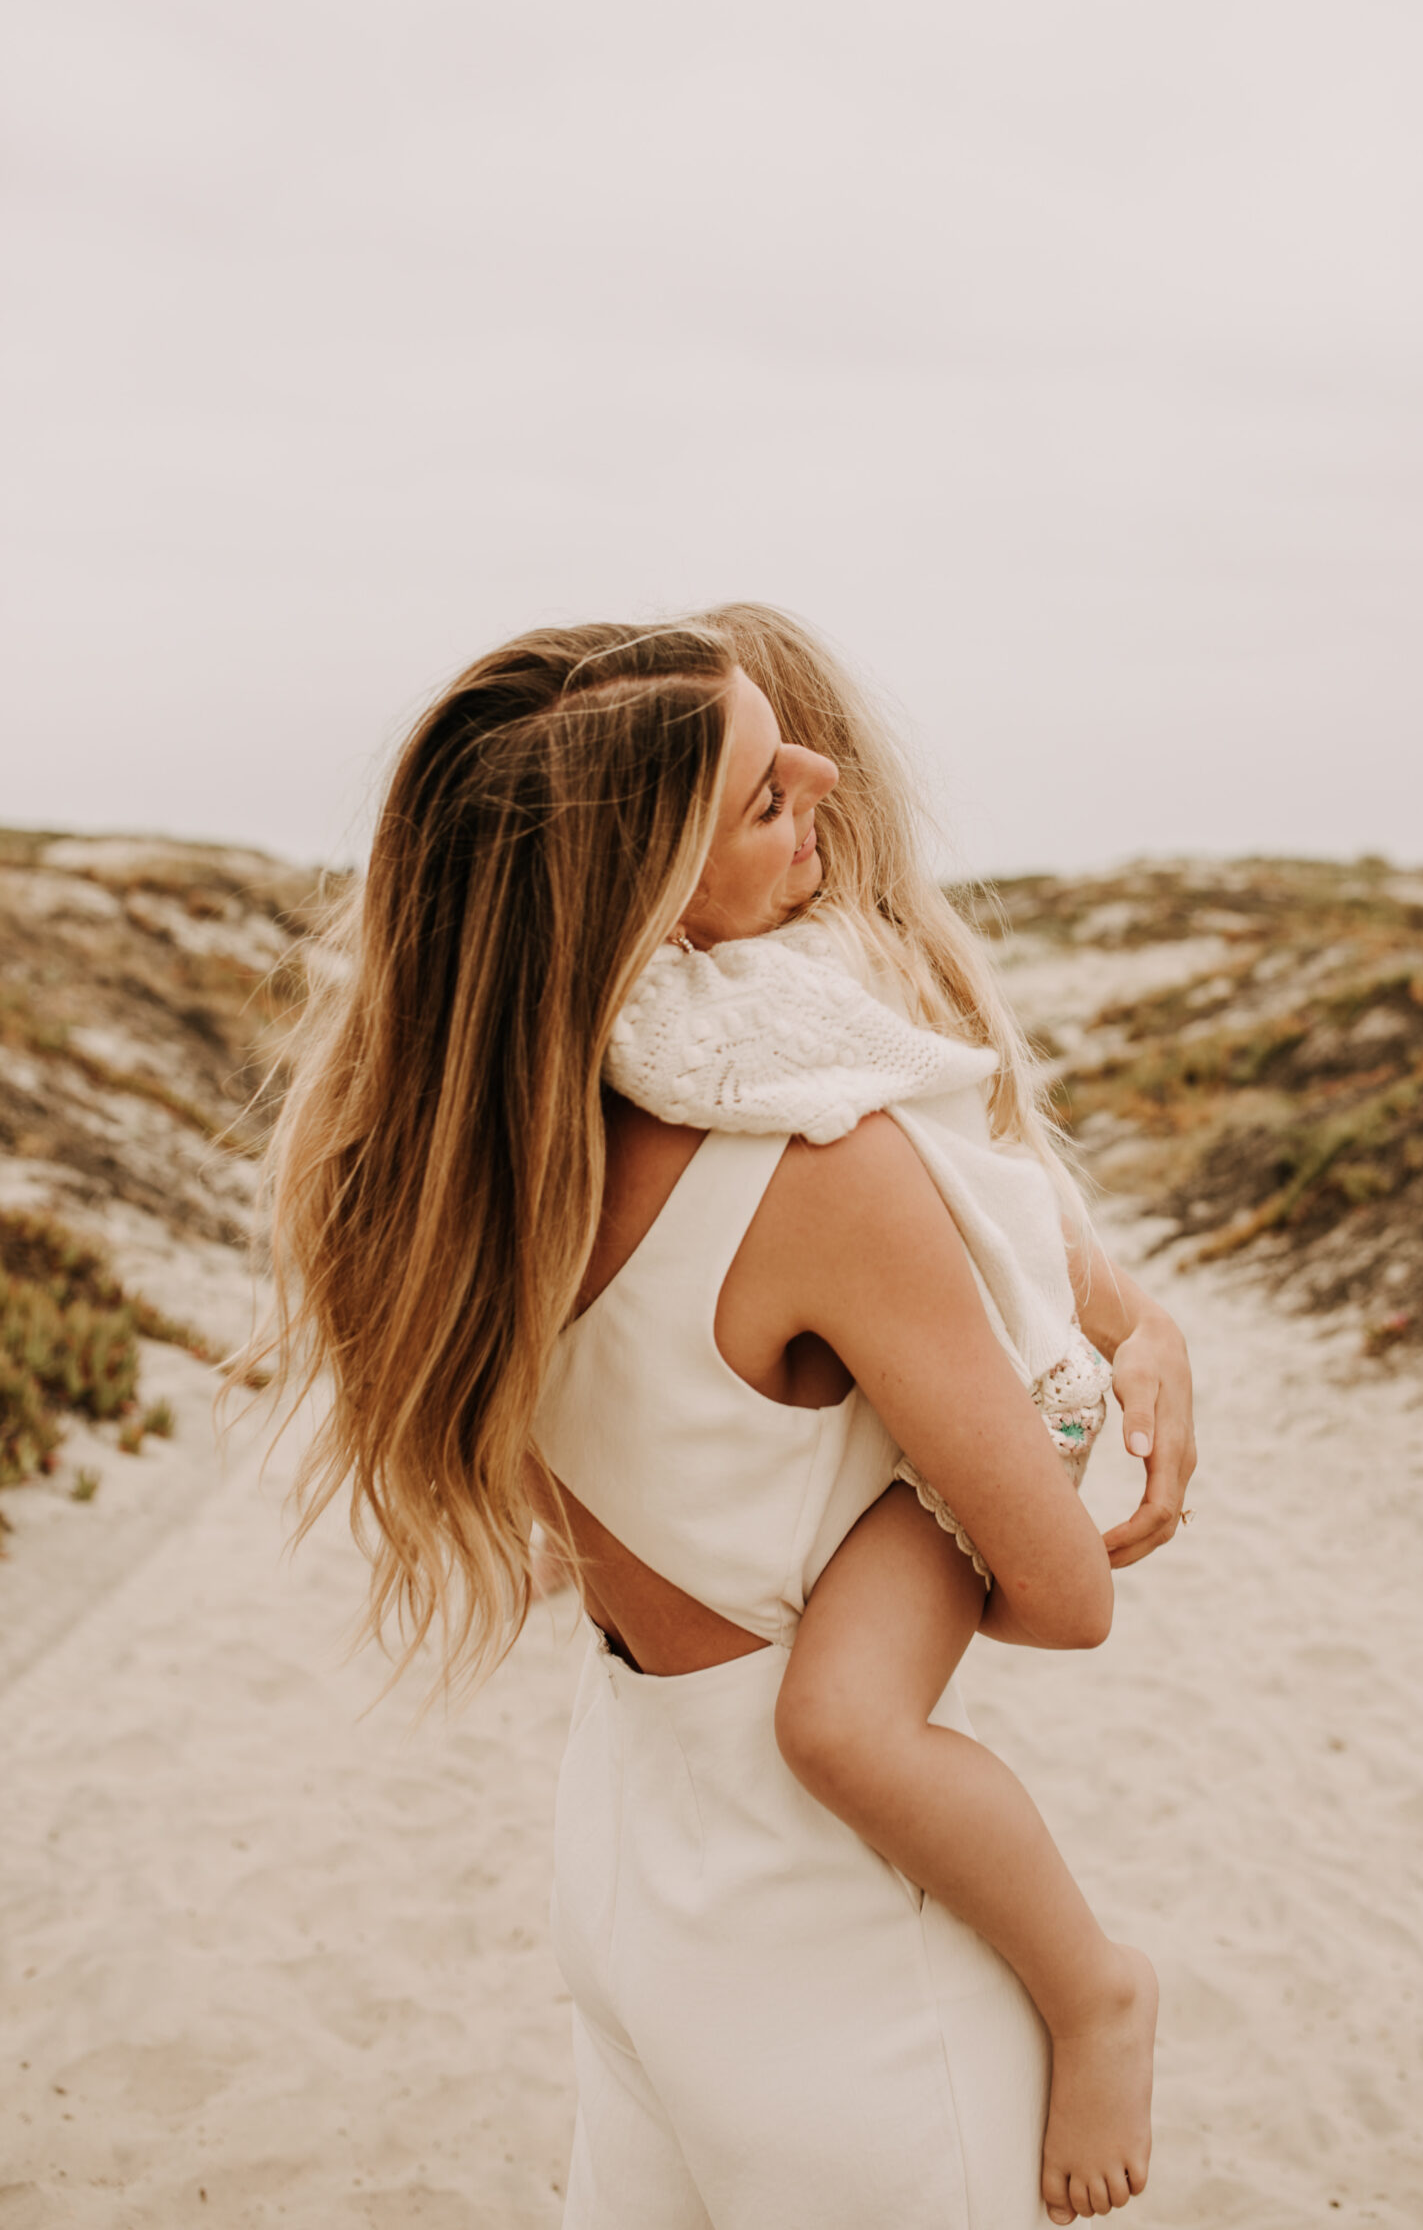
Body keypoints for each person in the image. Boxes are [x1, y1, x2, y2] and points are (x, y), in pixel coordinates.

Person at [246, 617, 1197, 2230]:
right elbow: (1067, 1594)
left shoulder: (451, 1193)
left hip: (628, 1876)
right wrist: (1048, 1400)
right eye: (766, 792)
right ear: (654, 895)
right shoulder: (820, 1171)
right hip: (831, 1945)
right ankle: (1105, 1988)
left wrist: (1135, 1317)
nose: (823, 775)